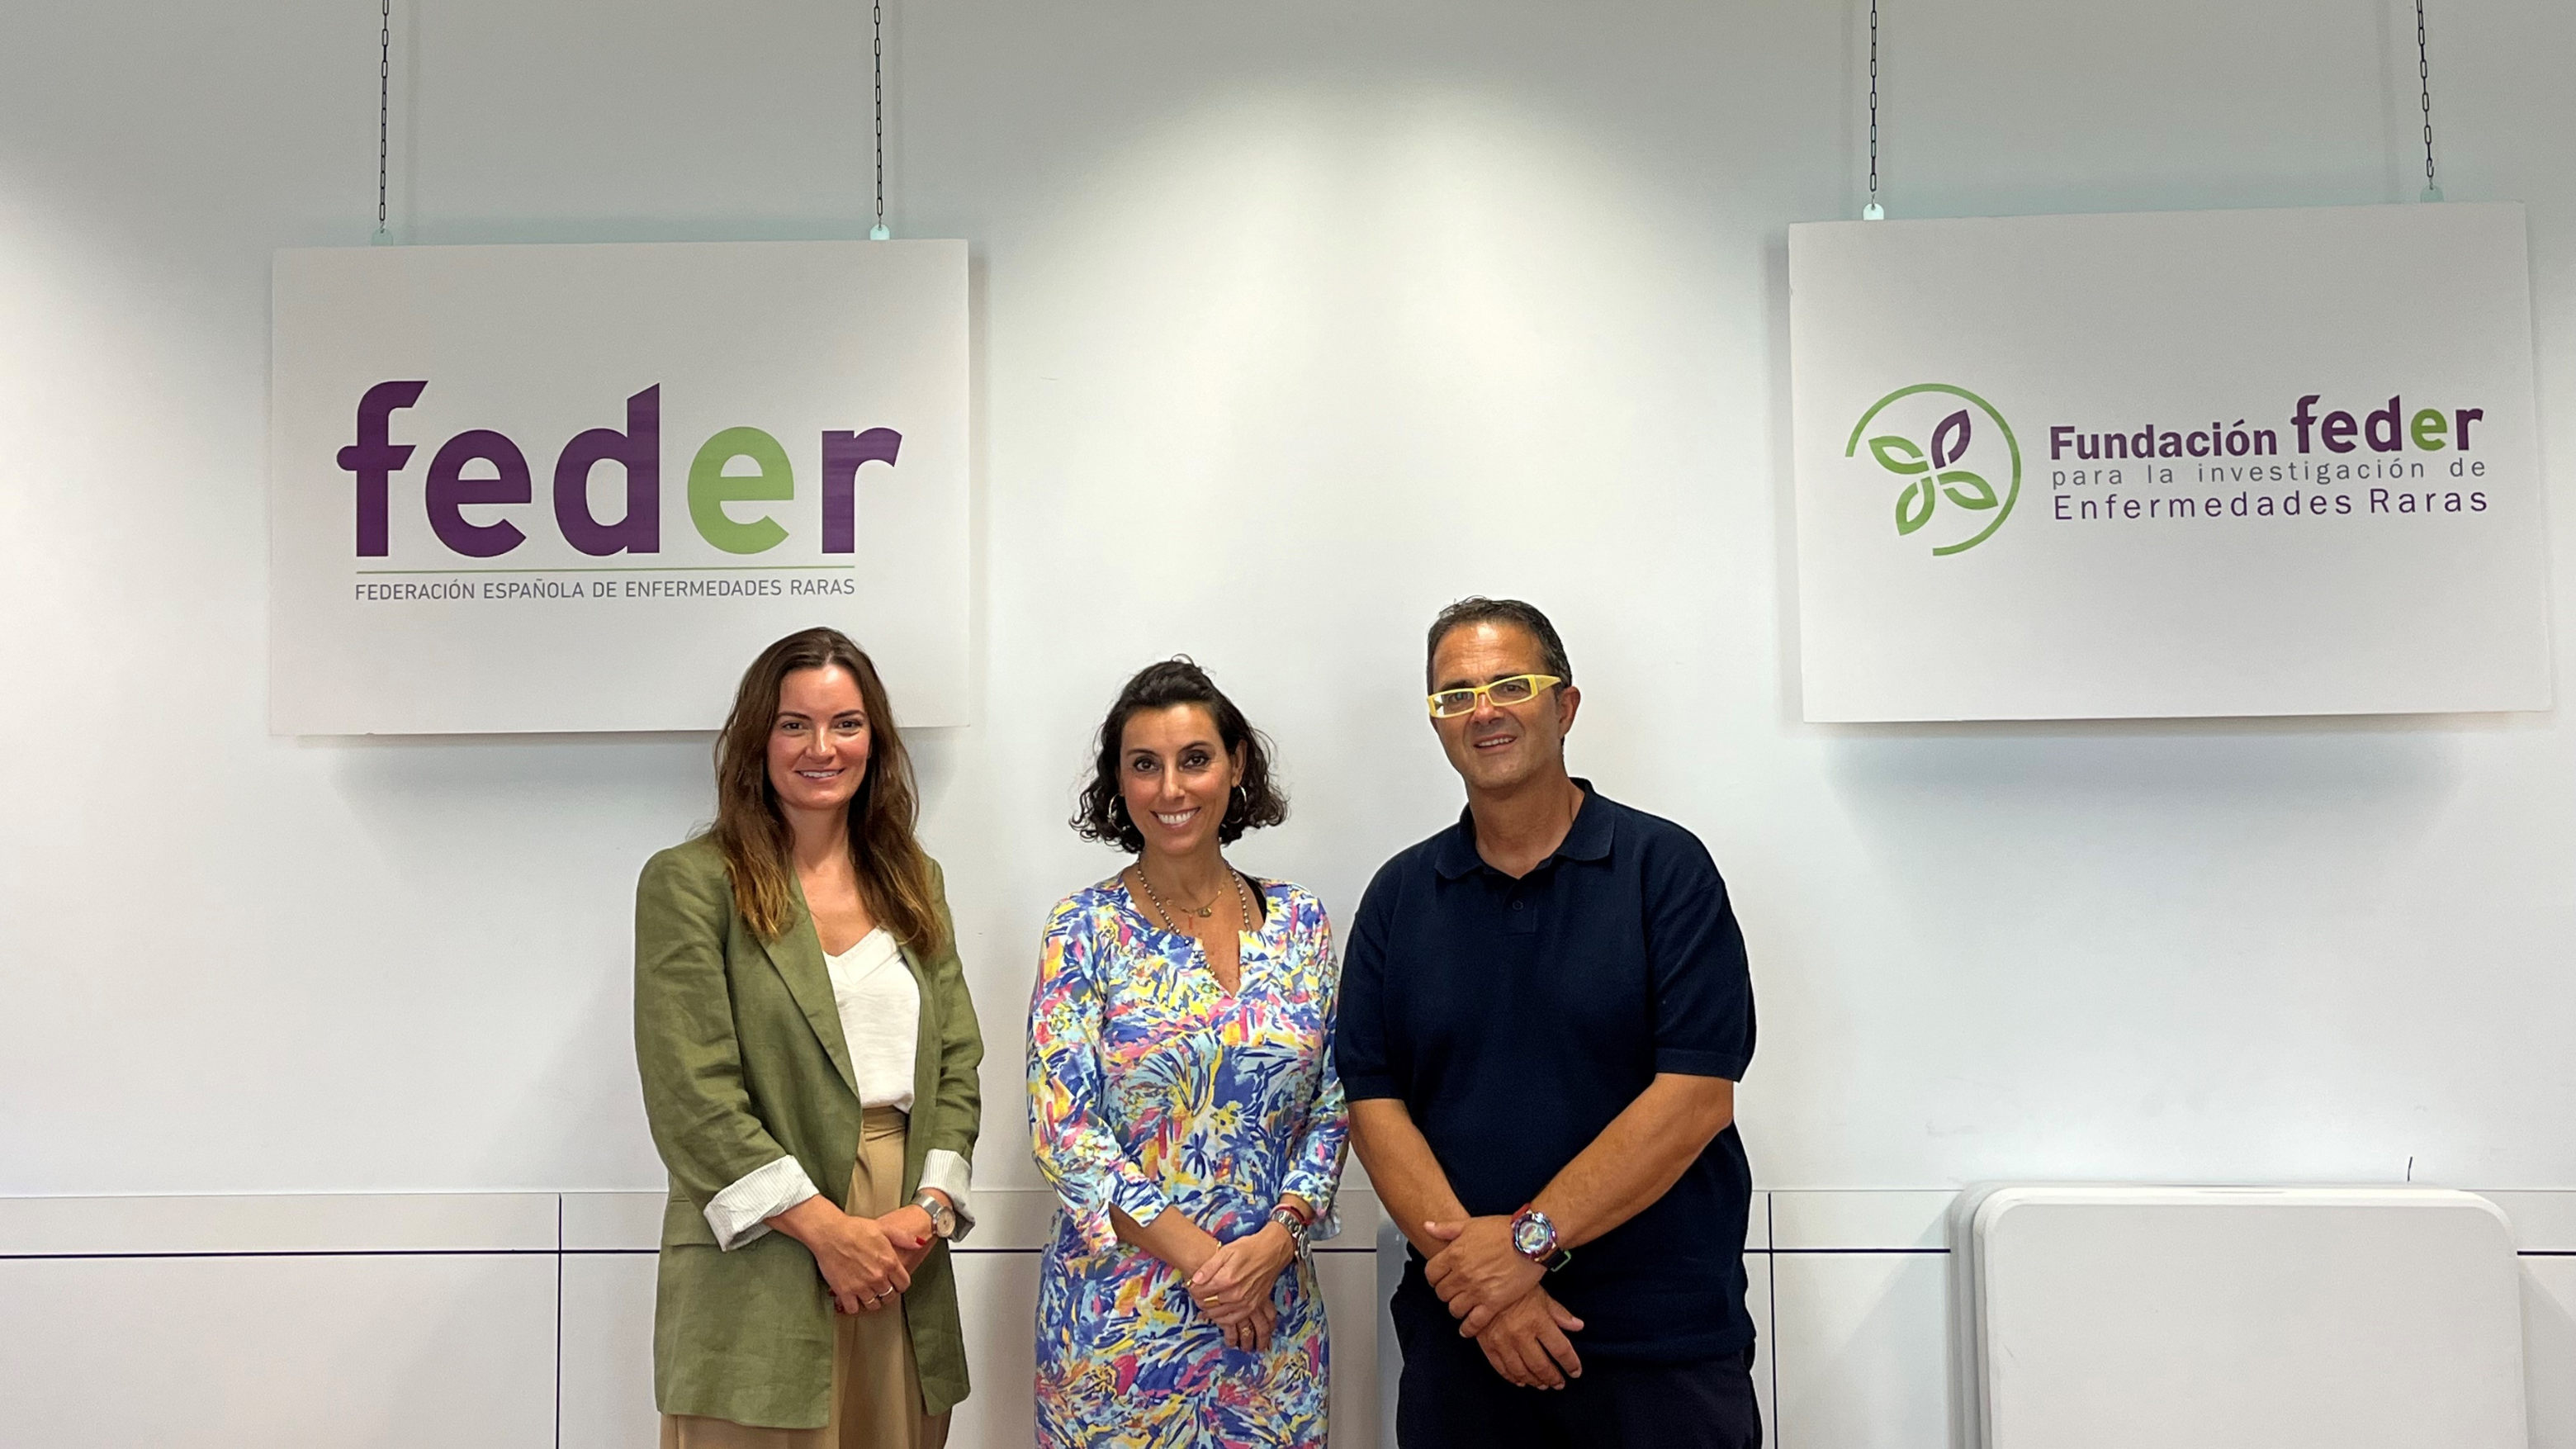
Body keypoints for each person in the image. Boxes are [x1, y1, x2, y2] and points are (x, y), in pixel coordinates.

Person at [1337, 598, 1760, 1449]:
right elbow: (1374, 1107)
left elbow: (1695, 1100)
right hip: (1466, 1347)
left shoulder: (1664, 871)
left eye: (1510, 686)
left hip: (1660, 1348)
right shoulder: (1399, 896)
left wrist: (1527, 1245)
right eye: (1454, 696)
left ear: (1564, 706)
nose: (1482, 711)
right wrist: (1485, 1289)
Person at [634, 627, 984, 1449]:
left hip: (904, 1250)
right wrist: (832, 1234)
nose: (823, 747)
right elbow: (694, 1099)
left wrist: (925, 1216)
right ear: (758, 740)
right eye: (795, 724)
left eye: (847, 724)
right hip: (763, 1255)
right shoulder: (690, 883)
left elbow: (958, 1064)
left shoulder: (913, 879)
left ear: (877, 740)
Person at [1026, 659, 1350, 1449]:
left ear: (1236, 764)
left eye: (1194, 758)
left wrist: (1275, 1243)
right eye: (1145, 765)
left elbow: (1338, 1102)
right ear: (1119, 782)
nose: (1171, 788)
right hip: (1119, 1336)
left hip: (1271, 1322)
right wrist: (1216, 1269)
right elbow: (1065, 1131)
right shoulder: (1083, 928)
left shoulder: (1302, 921)